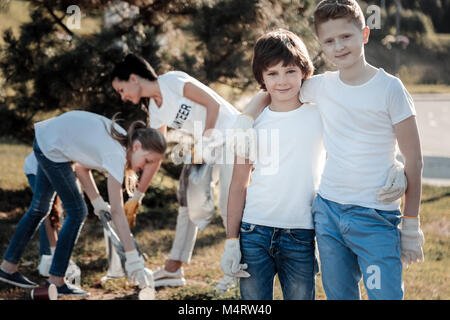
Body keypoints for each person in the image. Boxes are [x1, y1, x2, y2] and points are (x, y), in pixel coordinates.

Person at [235, 0, 424, 300]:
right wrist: (245, 117)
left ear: (364, 34)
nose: (339, 46)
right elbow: (273, 89)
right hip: (328, 213)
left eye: (346, 37)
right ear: (321, 45)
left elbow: (414, 159)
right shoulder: (320, 86)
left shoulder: (391, 89)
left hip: (376, 214)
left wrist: (411, 224)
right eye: (329, 41)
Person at [0, 110, 166, 297]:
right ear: (137, 146)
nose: (145, 167)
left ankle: (8, 268)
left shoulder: (121, 139)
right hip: (52, 148)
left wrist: (98, 202)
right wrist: (133, 259)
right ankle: (55, 281)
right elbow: (118, 212)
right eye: (147, 160)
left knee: (40, 209)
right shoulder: (116, 154)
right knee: (77, 211)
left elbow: (81, 167)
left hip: (47, 140)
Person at [111, 54, 240, 290]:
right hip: (209, 146)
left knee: (228, 204)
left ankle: (239, 271)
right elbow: (155, 154)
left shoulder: (172, 81)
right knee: (185, 196)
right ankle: (174, 268)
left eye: (121, 89)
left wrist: (205, 141)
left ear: (133, 78)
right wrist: (138, 196)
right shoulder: (154, 109)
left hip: (233, 136)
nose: (123, 97)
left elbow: (214, 105)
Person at [221, 29, 322, 300]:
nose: (282, 81)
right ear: (261, 78)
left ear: (303, 71)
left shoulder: (319, 114)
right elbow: (238, 185)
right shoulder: (250, 123)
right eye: (272, 73)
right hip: (254, 231)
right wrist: (232, 241)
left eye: (290, 71)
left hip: (301, 233)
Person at [24, 152, 81, 281]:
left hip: (61, 167)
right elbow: (52, 214)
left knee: (73, 210)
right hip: (37, 170)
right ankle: (48, 260)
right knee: (49, 210)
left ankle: (53, 259)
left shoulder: (79, 157)